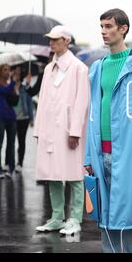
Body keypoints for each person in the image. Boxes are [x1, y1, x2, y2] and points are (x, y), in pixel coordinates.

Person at [84, 9, 132, 253]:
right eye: (102, 26)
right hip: (99, 151)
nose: (103, 31)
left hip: (128, 152)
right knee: (104, 214)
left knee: (129, 213)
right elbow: (91, 112)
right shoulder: (97, 68)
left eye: (108, 26)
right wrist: (87, 156)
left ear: (123, 28)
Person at [34, 25, 90, 235]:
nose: (52, 42)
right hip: (49, 128)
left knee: (75, 174)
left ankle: (74, 218)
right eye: (50, 39)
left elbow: (82, 102)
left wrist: (75, 130)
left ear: (67, 41)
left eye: (56, 39)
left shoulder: (78, 68)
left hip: (68, 130)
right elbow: (43, 101)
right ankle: (57, 217)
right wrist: (38, 129)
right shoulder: (49, 68)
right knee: (52, 173)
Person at [11, 66, 41, 173]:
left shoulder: (24, 88)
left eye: (19, 74)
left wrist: (32, 119)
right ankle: (10, 163)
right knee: (11, 142)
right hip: (12, 118)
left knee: (21, 141)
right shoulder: (9, 87)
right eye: (15, 73)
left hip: (23, 118)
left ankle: (20, 163)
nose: (17, 76)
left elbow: (29, 104)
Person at [0, 65, 19, 179]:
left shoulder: (11, 85)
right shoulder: (3, 85)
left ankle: (10, 167)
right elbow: (5, 91)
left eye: (9, 70)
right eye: (5, 70)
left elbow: (15, 102)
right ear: (0, 72)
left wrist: (15, 89)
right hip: (0, 117)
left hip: (11, 117)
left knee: (11, 144)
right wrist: (13, 83)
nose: (8, 72)